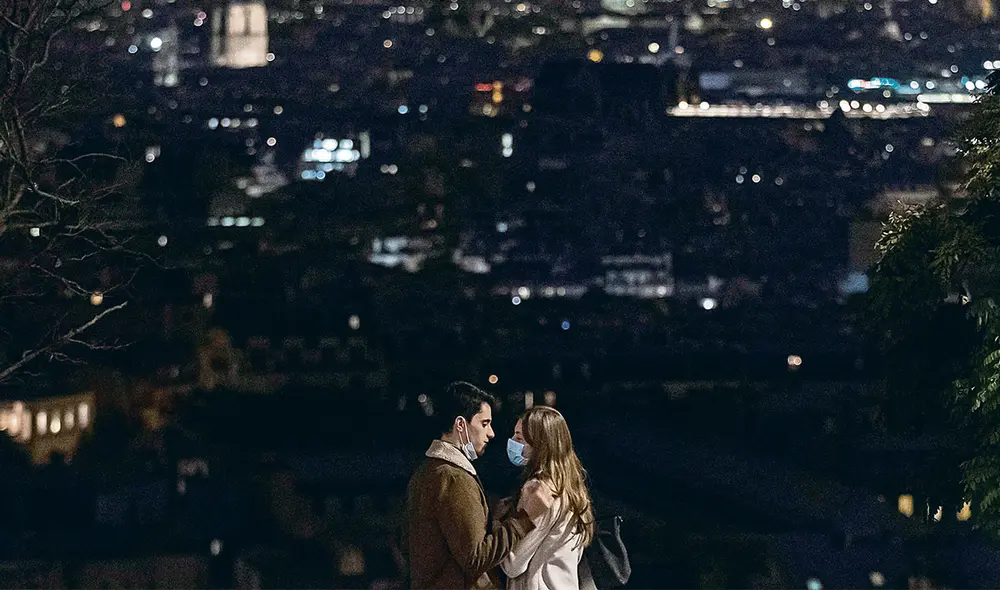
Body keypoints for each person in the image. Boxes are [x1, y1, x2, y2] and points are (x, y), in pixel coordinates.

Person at [406, 382, 554, 589]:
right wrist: (524, 520)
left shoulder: (427, 472)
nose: (492, 433)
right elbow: (475, 558)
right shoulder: (452, 478)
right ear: (460, 424)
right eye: (484, 423)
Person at [501, 406, 595, 590]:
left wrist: (496, 524)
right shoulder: (572, 490)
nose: (512, 442)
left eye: (519, 438)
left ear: (540, 446)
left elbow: (514, 564)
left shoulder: (539, 491)